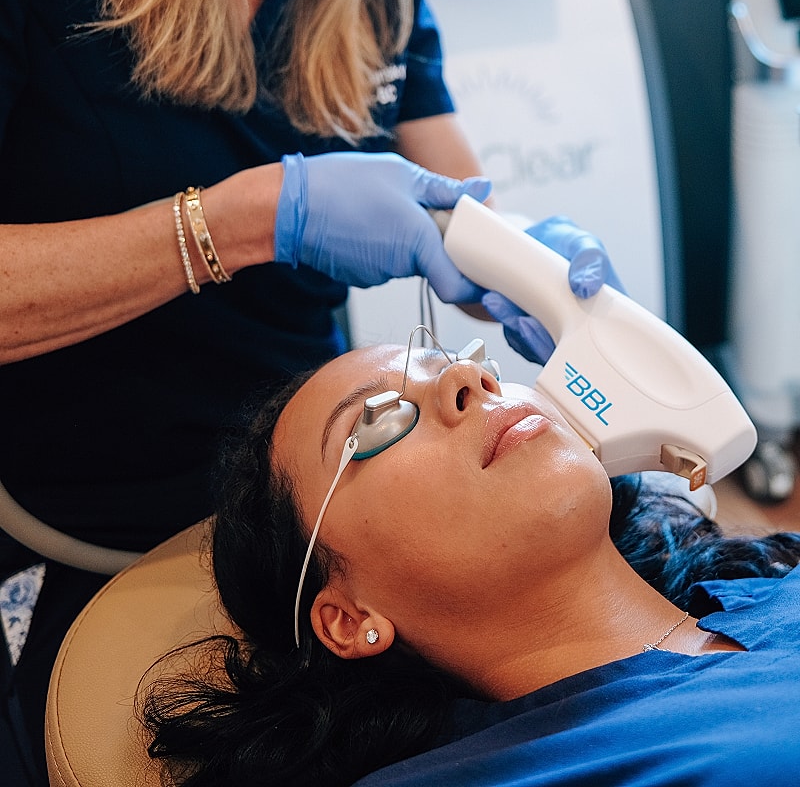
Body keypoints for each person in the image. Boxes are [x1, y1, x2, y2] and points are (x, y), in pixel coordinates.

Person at [0, 0, 618, 782]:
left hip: (320, 521)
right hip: (72, 517)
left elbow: (458, 213)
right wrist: (244, 222)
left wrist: (533, 264)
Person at [140, 333, 800, 787]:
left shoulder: (776, 589)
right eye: (378, 420)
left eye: (461, 357)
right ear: (348, 618)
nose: (470, 378)